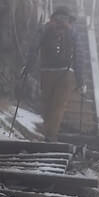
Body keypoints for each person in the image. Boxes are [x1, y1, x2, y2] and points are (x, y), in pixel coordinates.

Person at [22, 7, 85, 141]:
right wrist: (80, 79)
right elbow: (79, 55)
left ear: (53, 17)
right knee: (59, 105)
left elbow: (34, 48)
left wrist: (27, 67)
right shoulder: (73, 31)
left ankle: (47, 131)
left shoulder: (45, 28)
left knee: (47, 102)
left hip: (47, 71)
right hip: (67, 73)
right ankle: (50, 135)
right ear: (69, 18)